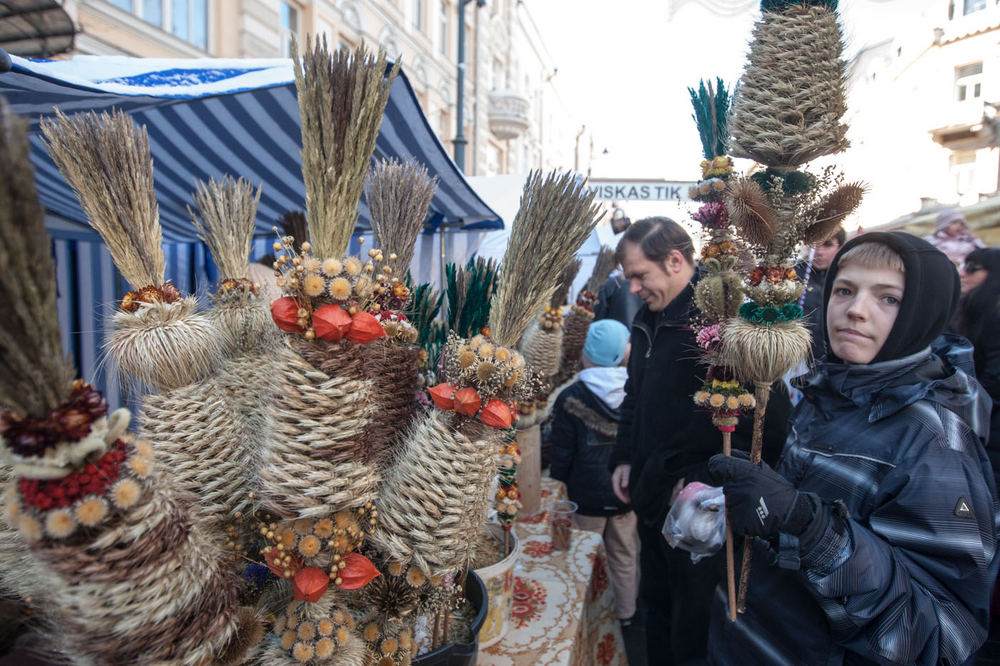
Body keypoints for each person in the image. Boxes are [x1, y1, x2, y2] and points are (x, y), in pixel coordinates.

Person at [707, 232, 998, 665]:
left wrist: (811, 528)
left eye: (888, 299)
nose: (855, 310)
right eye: (844, 290)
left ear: (923, 309)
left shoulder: (933, 443)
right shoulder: (829, 393)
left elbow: (942, 635)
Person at [609, 217, 788, 665]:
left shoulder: (724, 323)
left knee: (693, 629)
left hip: (701, 515)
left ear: (674, 261)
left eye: (639, 276)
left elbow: (764, 423)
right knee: (658, 609)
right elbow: (635, 397)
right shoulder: (648, 319)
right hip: (652, 495)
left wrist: (699, 482)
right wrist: (624, 457)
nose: (633, 289)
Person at [547, 318, 639, 625]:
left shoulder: (571, 397)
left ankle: (581, 616)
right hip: (626, 494)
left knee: (582, 558)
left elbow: (561, 452)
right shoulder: (636, 394)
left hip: (585, 497)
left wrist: (559, 483)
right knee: (624, 555)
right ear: (623, 353)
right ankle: (626, 614)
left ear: (586, 354)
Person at [797, 226, 846, 361]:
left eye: (827, 245)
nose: (819, 251)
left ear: (840, 248)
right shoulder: (793, 275)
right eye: (814, 245)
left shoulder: (847, 278)